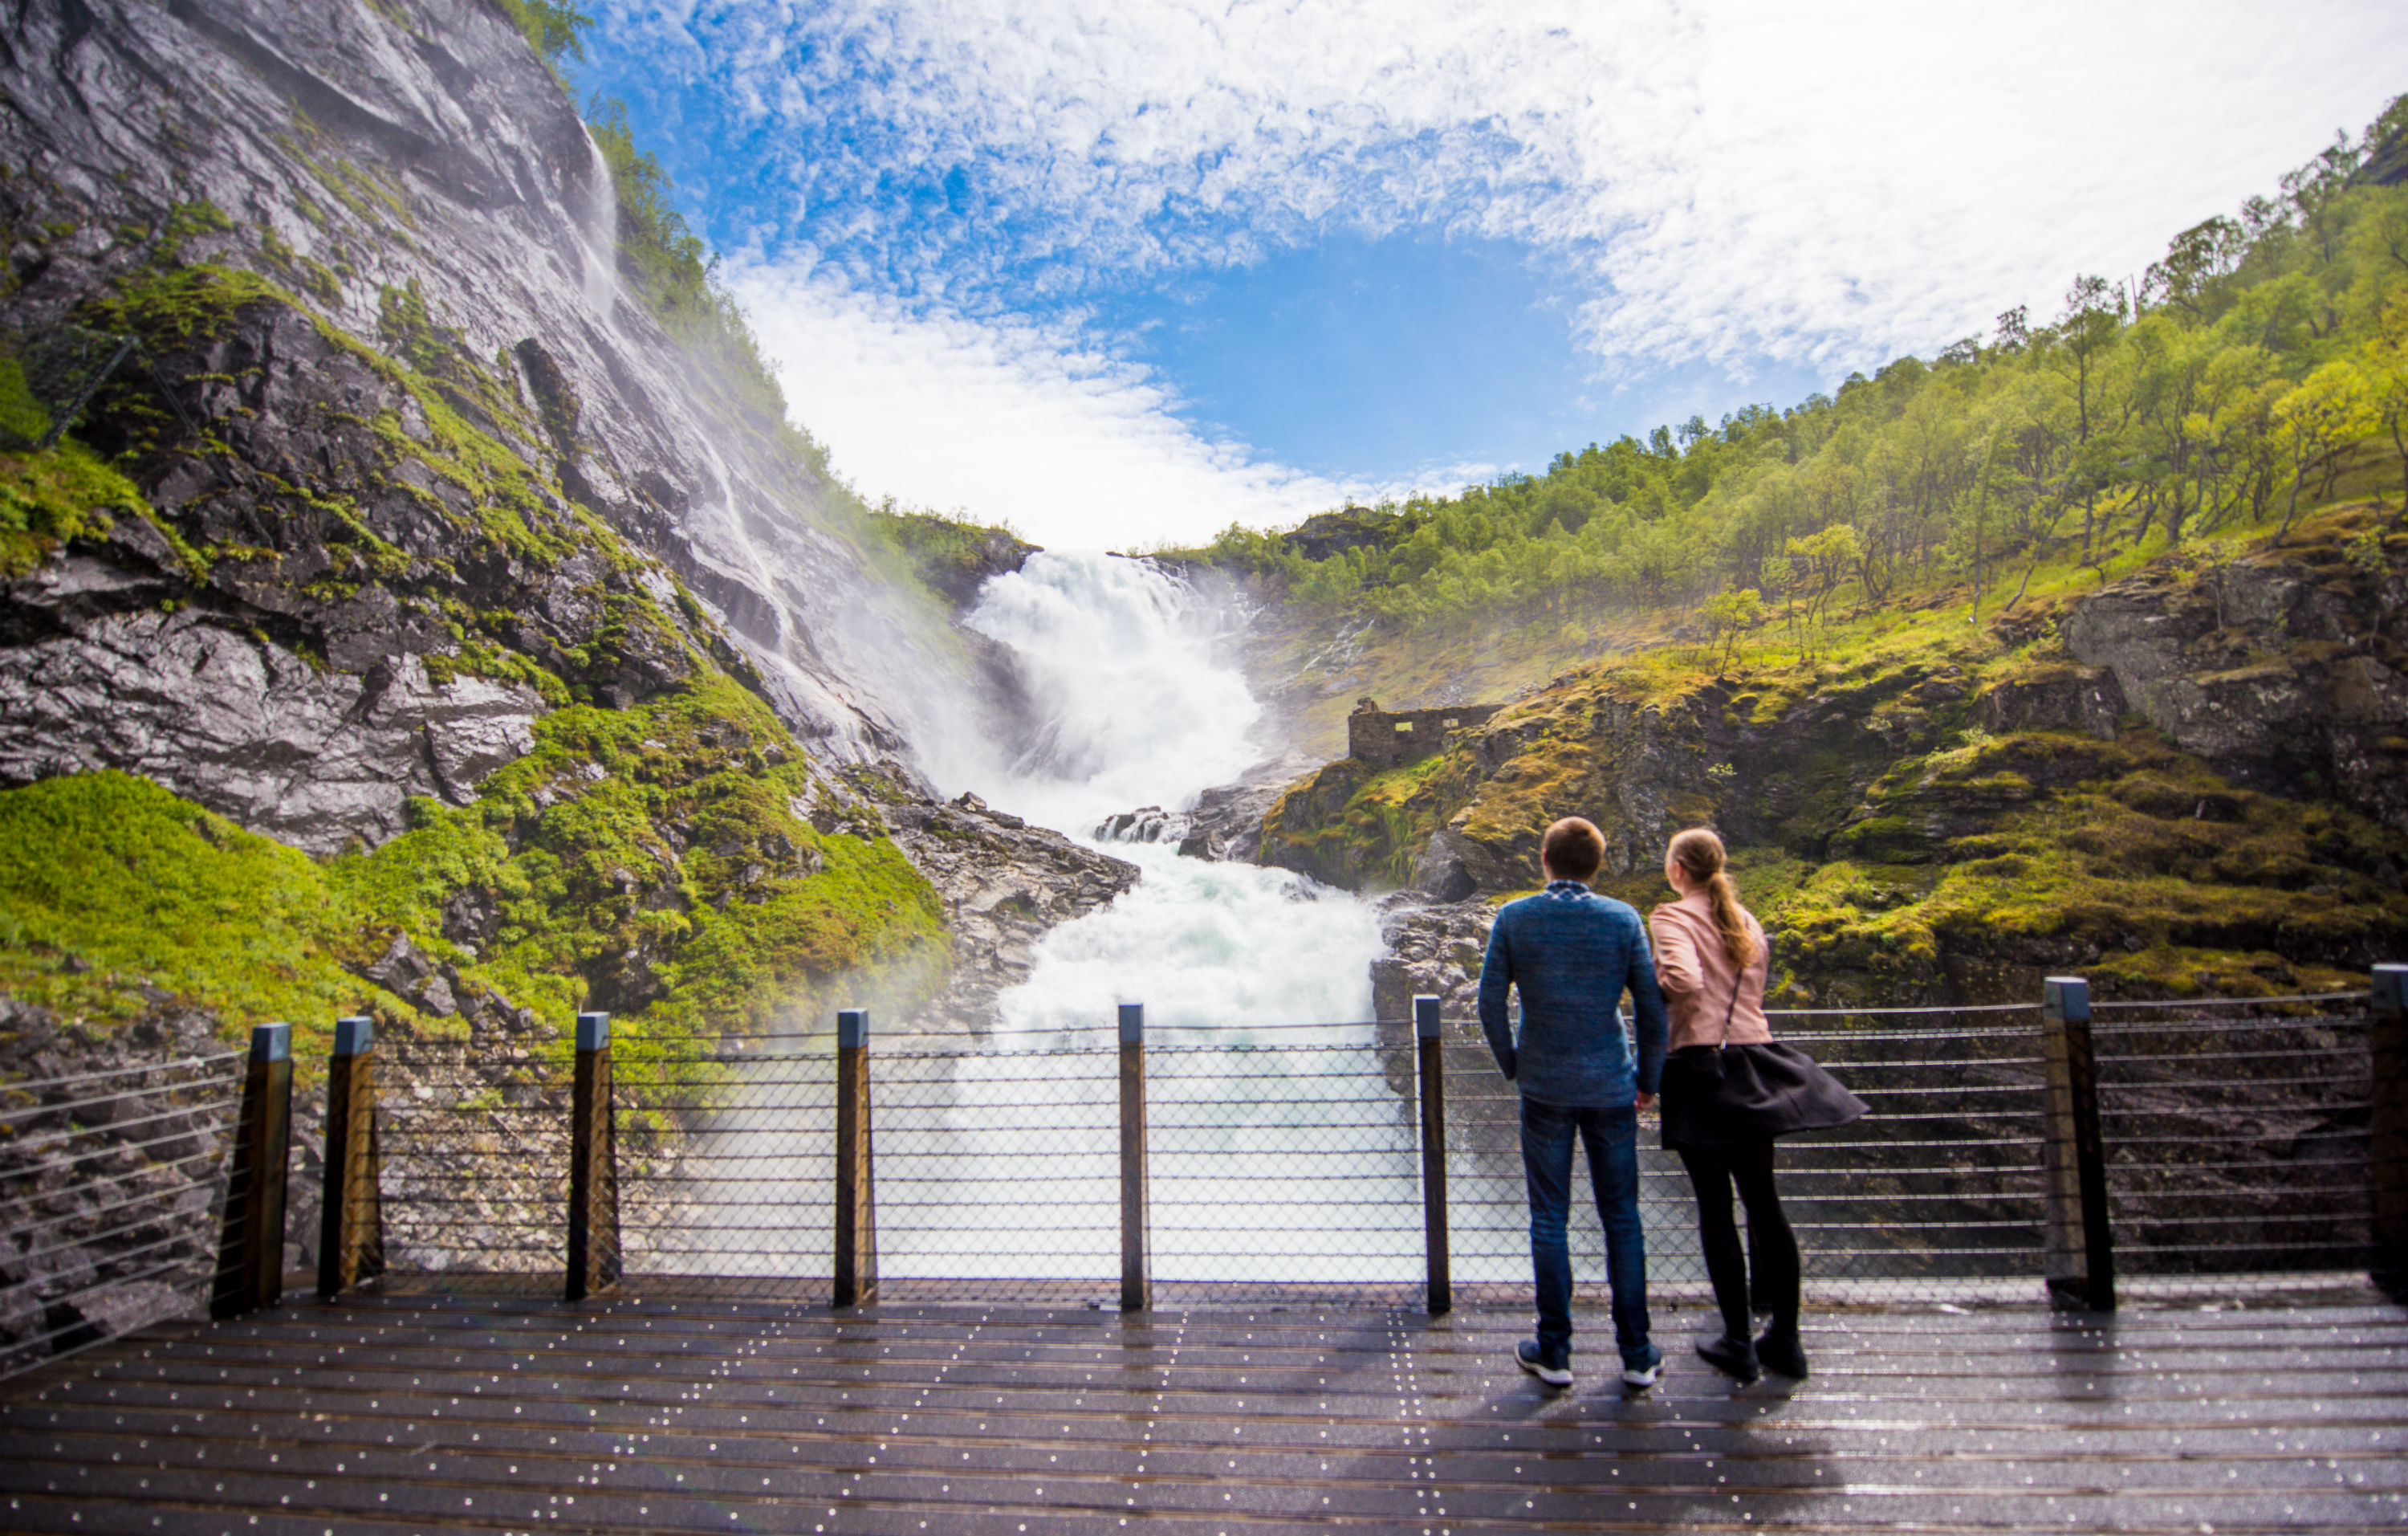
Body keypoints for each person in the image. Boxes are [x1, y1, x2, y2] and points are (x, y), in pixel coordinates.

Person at [1649, 827, 1863, 1384]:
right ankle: (1786, 1340)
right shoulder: (1746, 920)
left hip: (1701, 1068)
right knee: (1764, 1201)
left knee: (1716, 1207)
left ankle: (1738, 1339)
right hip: (1755, 1062)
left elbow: (1683, 980)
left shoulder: (1672, 917)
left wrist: (1649, 982)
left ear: (1678, 869)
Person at [1479, 815, 1669, 1391]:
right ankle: (1636, 1353)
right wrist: (1648, 1078)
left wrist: (1513, 1061)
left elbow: (1490, 1002)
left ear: (1545, 858)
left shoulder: (1515, 917)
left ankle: (1555, 1350)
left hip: (1544, 1086)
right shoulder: (1622, 918)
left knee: (1548, 1218)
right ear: (1596, 863)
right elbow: (1653, 1010)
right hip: (1612, 1084)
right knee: (1622, 1218)